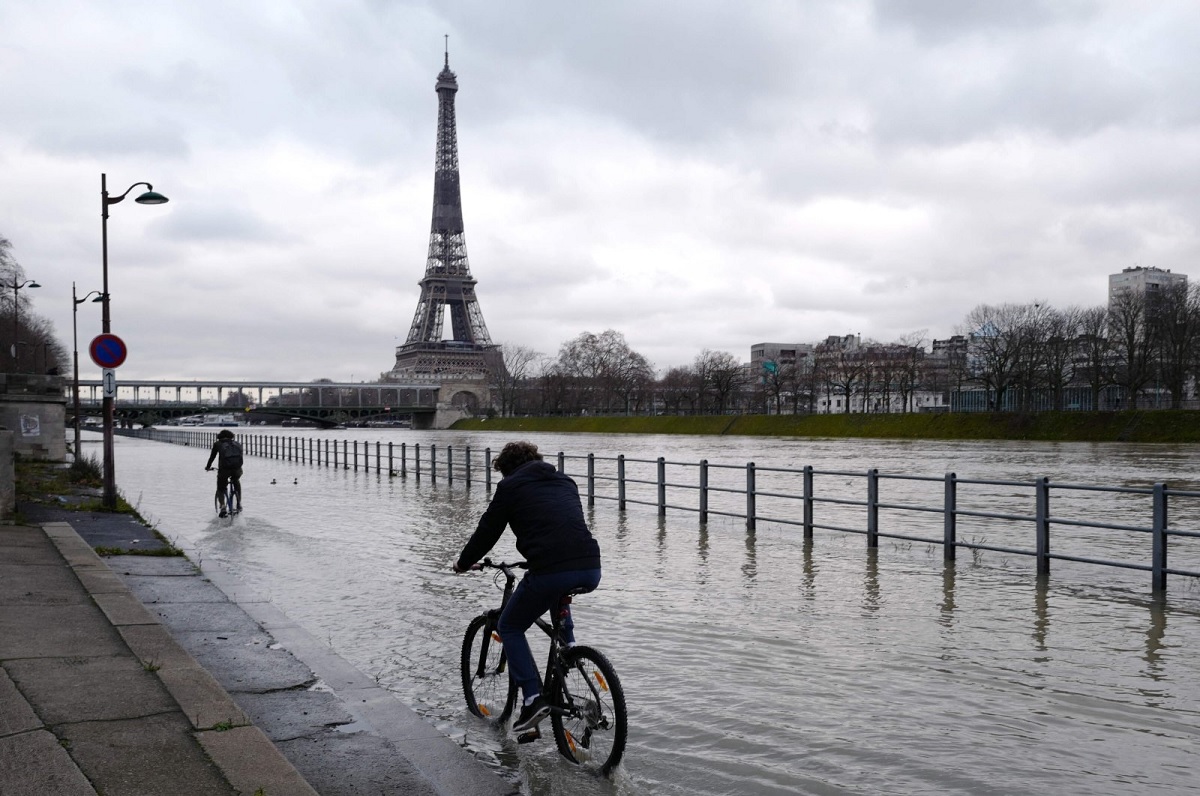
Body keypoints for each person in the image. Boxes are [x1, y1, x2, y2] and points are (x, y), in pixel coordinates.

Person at [453, 441, 602, 735]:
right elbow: (561, 525)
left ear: (506, 470)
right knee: (555, 589)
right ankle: (569, 648)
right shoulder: (566, 481)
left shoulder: (510, 487)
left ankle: (533, 699)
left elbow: (488, 531)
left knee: (509, 625)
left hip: (551, 569)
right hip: (591, 565)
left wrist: (463, 562)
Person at [205, 429, 243, 516]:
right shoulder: (237, 444)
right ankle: (239, 504)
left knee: (221, 487)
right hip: (237, 469)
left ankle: (222, 506)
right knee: (236, 481)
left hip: (224, 470)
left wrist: (208, 467)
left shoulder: (218, 444)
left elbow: (212, 457)